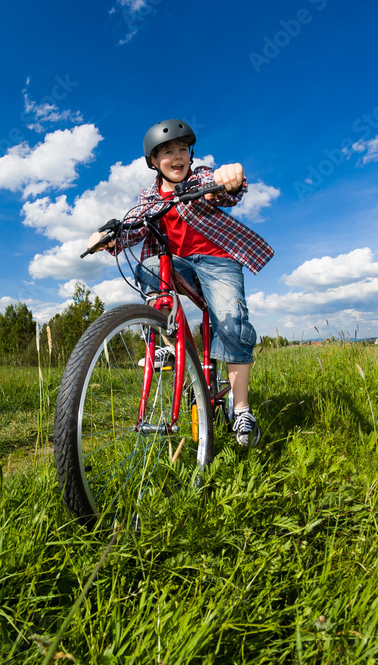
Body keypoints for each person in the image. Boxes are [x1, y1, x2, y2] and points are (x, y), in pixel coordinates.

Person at [86, 119, 274, 446]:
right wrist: (109, 237)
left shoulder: (200, 177)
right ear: (153, 162)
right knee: (145, 266)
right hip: (177, 263)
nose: (177, 156)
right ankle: (173, 347)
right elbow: (133, 226)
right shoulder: (149, 196)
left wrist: (230, 177)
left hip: (218, 261)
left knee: (230, 321)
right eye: (167, 151)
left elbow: (225, 190)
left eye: (182, 149)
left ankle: (241, 409)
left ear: (190, 154)